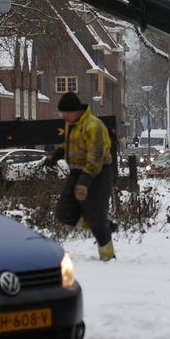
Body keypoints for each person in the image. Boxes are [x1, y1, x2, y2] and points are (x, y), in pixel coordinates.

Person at [50, 91, 116, 261]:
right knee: (64, 213)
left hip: (98, 175)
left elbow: (95, 159)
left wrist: (84, 182)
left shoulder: (94, 126)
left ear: (76, 110)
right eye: (61, 114)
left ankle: (108, 257)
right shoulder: (72, 124)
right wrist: (56, 155)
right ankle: (104, 225)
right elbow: (69, 145)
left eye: (66, 113)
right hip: (77, 173)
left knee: (95, 217)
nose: (63, 117)